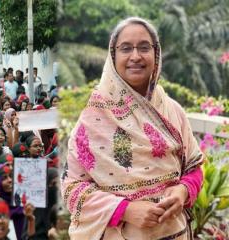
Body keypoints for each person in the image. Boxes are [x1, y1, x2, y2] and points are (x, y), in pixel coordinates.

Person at [61, 17, 203, 239]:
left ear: (155, 55)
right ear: (113, 55)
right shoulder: (93, 119)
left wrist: (182, 190)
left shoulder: (172, 110)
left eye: (144, 47)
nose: (135, 56)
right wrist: (124, 210)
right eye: (126, 48)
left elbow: (194, 167)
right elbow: (72, 189)